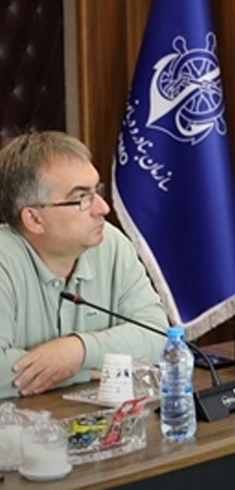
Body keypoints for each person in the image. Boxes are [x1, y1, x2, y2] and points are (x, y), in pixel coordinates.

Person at [0, 131, 168, 398]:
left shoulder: (111, 244)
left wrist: (78, 351)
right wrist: (80, 371)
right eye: (81, 198)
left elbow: (158, 337)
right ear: (34, 219)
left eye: (96, 191)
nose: (103, 208)